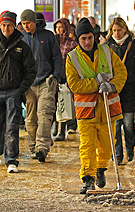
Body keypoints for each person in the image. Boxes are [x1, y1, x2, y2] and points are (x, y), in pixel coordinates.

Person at [66, 17, 127, 193]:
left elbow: (121, 71)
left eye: (89, 38)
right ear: (78, 40)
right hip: (86, 111)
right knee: (87, 145)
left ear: (95, 37)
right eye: (83, 38)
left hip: (108, 108)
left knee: (107, 145)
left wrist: (113, 85)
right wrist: (95, 83)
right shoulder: (72, 58)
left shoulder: (106, 52)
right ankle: (88, 178)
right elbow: (74, 84)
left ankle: (101, 168)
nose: (87, 42)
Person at [21, 9, 63, 162]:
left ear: (34, 22)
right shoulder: (22, 39)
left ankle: (42, 148)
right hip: (29, 84)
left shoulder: (48, 36)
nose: (26, 26)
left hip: (46, 81)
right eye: (23, 23)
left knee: (44, 115)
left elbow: (57, 58)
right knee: (31, 119)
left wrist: (56, 76)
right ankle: (33, 146)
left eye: (28, 23)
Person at [106, 17, 135, 165]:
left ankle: (130, 147)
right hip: (113, 91)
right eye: (114, 30)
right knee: (116, 125)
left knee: (129, 125)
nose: (116, 33)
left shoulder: (133, 45)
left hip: (131, 90)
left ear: (125, 29)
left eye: (119, 30)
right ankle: (117, 154)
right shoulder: (107, 46)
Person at [0, 11, 37, 173]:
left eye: (9, 25)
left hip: (13, 92)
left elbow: (31, 70)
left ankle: (11, 159)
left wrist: (20, 89)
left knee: (12, 126)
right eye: (3, 25)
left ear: (14, 26)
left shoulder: (22, 46)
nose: (6, 28)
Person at [53, 18, 78, 140]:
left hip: (67, 78)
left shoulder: (72, 44)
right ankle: (56, 127)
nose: (58, 30)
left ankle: (63, 130)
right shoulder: (53, 42)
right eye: (57, 27)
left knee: (64, 103)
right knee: (54, 104)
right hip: (54, 77)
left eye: (61, 27)